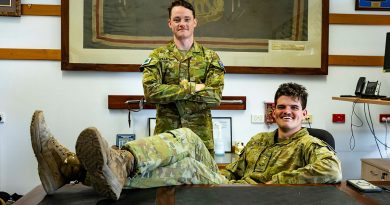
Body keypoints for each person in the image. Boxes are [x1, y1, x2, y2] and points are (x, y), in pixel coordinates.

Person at [30, 82, 342, 200]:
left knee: (190, 165)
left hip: (251, 197)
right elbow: (233, 172)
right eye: (282, 107)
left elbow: (331, 171)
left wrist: (271, 184)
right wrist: (226, 176)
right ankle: (85, 166)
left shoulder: (310, 145)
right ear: (274, 111)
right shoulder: (260, 140)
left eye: (294, 108)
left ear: (305, 114)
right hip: (230, 186)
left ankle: (74, 167)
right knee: (189, 138)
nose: (287, 112)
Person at [140, 0, 225, 154]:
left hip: (200, 140)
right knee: (164, 179)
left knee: (203, 179)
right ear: (170, 23)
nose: (182, 24)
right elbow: (151, 93)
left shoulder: (210, 57)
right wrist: (194, 87)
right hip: (166, 140)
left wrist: (170, 92)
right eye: (177, 20)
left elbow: (215, 96)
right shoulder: (158, 56)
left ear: (194, 22)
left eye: (187, 19)